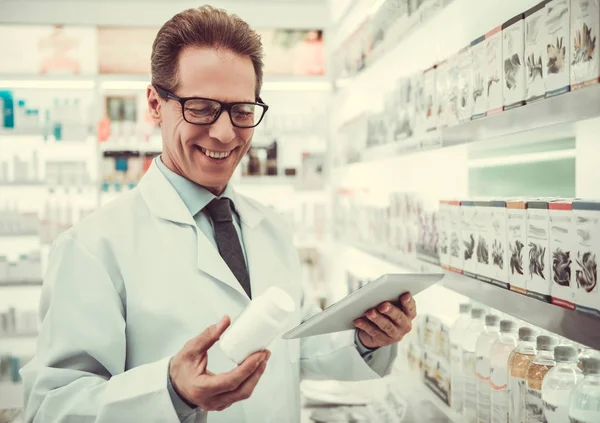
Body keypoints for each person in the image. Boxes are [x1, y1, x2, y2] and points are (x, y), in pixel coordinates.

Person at [21, 6, 417, 423]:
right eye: (201, 107)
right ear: (156, 104)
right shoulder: (92, 248)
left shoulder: (271, 229)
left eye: (242, 111)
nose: (225, 133)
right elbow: (51, 408)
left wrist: (367, 339)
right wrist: (171, 391)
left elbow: (292, 351)